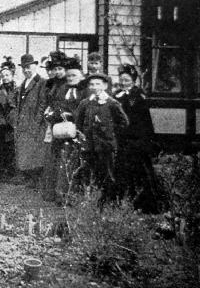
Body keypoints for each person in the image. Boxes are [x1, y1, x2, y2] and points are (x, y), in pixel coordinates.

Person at [114, 64, 163, 213]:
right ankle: (121, 202)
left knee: (140, 173)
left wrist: (145, 141)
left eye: (127, 80)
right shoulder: (116, 96)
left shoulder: (139, 97)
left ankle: (143, 205)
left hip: (136, 141)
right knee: (121, 172)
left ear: (133, 81)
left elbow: (145, 121)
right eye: (122, 80)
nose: (124, 83)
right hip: (121, 140)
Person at [75, 73, 129, 207]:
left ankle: (109, 203)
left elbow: (124, 122)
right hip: (89, 147)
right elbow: (78, 123)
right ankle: (92, 202)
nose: (94, 87)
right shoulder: (85, 103)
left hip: (106, 146)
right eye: (92, 84)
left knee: (107, 174)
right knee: (89, 173)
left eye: (98, 84)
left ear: (105, 86)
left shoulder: (112, 103)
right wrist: (82, 135)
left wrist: (107, 128)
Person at [41, 58, 86, 204]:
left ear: (81, 76)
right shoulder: (63, 89)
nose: (71, 78)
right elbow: (57, 105)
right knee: (61, 162)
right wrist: (58, 114)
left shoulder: (84, 91)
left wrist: (72, 115)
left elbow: (85, 110)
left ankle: (74, 196)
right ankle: (60, 195)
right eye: (70, 76)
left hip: (77, 130)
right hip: (62, 130)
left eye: (75, 75)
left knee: (75, 163)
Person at [14, 54, 47, 186]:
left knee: (35, 151)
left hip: (34, 122)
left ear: (35, 66)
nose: (26, 70)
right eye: (24, 68)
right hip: (23, 122)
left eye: (28, 67)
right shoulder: (23, 84)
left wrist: (37, 122)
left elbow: (42, 105)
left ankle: (35, 178)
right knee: (24, 150)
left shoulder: (41, 82)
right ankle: (26, 176)